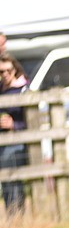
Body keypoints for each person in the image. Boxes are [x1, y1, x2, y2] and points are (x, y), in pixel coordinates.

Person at [0, 54, 28, 216]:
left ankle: (18, 215)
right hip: (2, 142)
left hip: (17, 142)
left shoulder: (23, 90)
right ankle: (12, 217)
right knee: (5, 182)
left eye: (8, 71)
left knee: (15, 181)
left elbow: (32, 121)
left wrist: (14, 125)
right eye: (1, 72)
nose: (5, 74)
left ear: (15, 70)